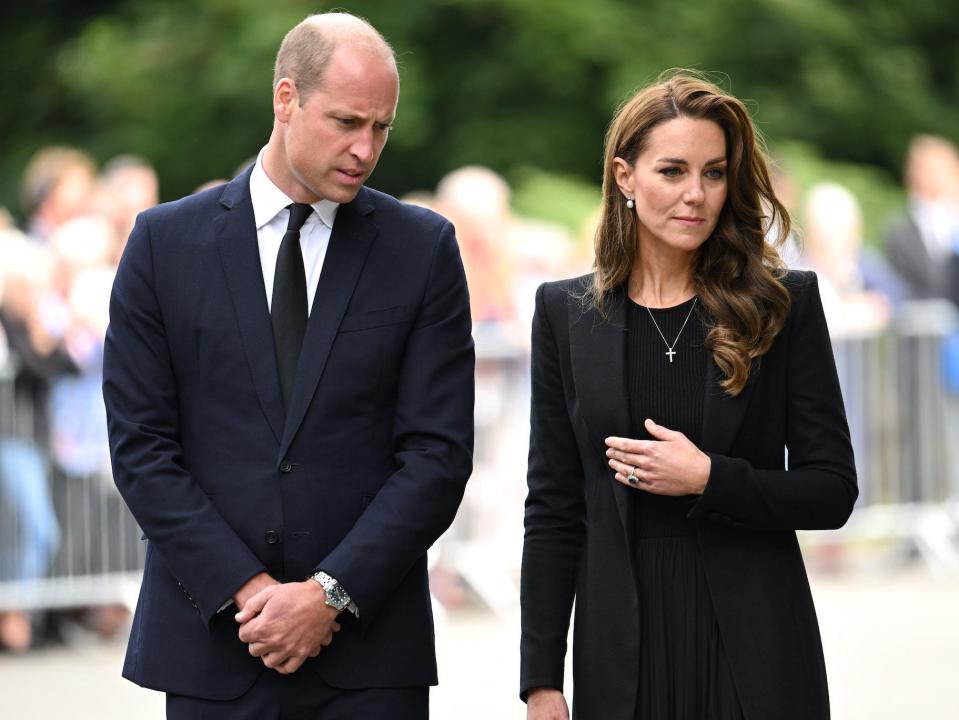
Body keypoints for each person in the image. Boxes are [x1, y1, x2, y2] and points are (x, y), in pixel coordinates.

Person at [102, 12, 474, 719]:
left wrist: (329, 595)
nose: (364, 149)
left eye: (380, 128)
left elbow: (437, 453)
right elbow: (142, 448)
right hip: (214, 644)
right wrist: (250, 594)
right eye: (345, 122)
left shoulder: (421, 249)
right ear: (285, 99)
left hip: (369, 659)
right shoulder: (163, 244)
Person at [520, 73, 858, 720]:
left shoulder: (782, 305)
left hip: (753, 643)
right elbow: (553, 509)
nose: (694, 195)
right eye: (671, 171)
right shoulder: (563, 314)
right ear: (624, 176)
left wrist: (710, 478)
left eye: (713, 173)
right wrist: (540, 681)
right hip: (619, 649)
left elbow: (832, 489)